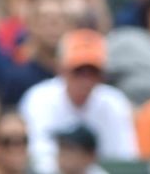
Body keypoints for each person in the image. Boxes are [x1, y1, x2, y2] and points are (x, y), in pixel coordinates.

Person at [18, 29, 138, 173]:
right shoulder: (39, 99)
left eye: (93, 72)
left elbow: (125, 161)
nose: (85, 80)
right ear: (61, 69)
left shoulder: (114, 103)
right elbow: (35, 159)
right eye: (78, 71)